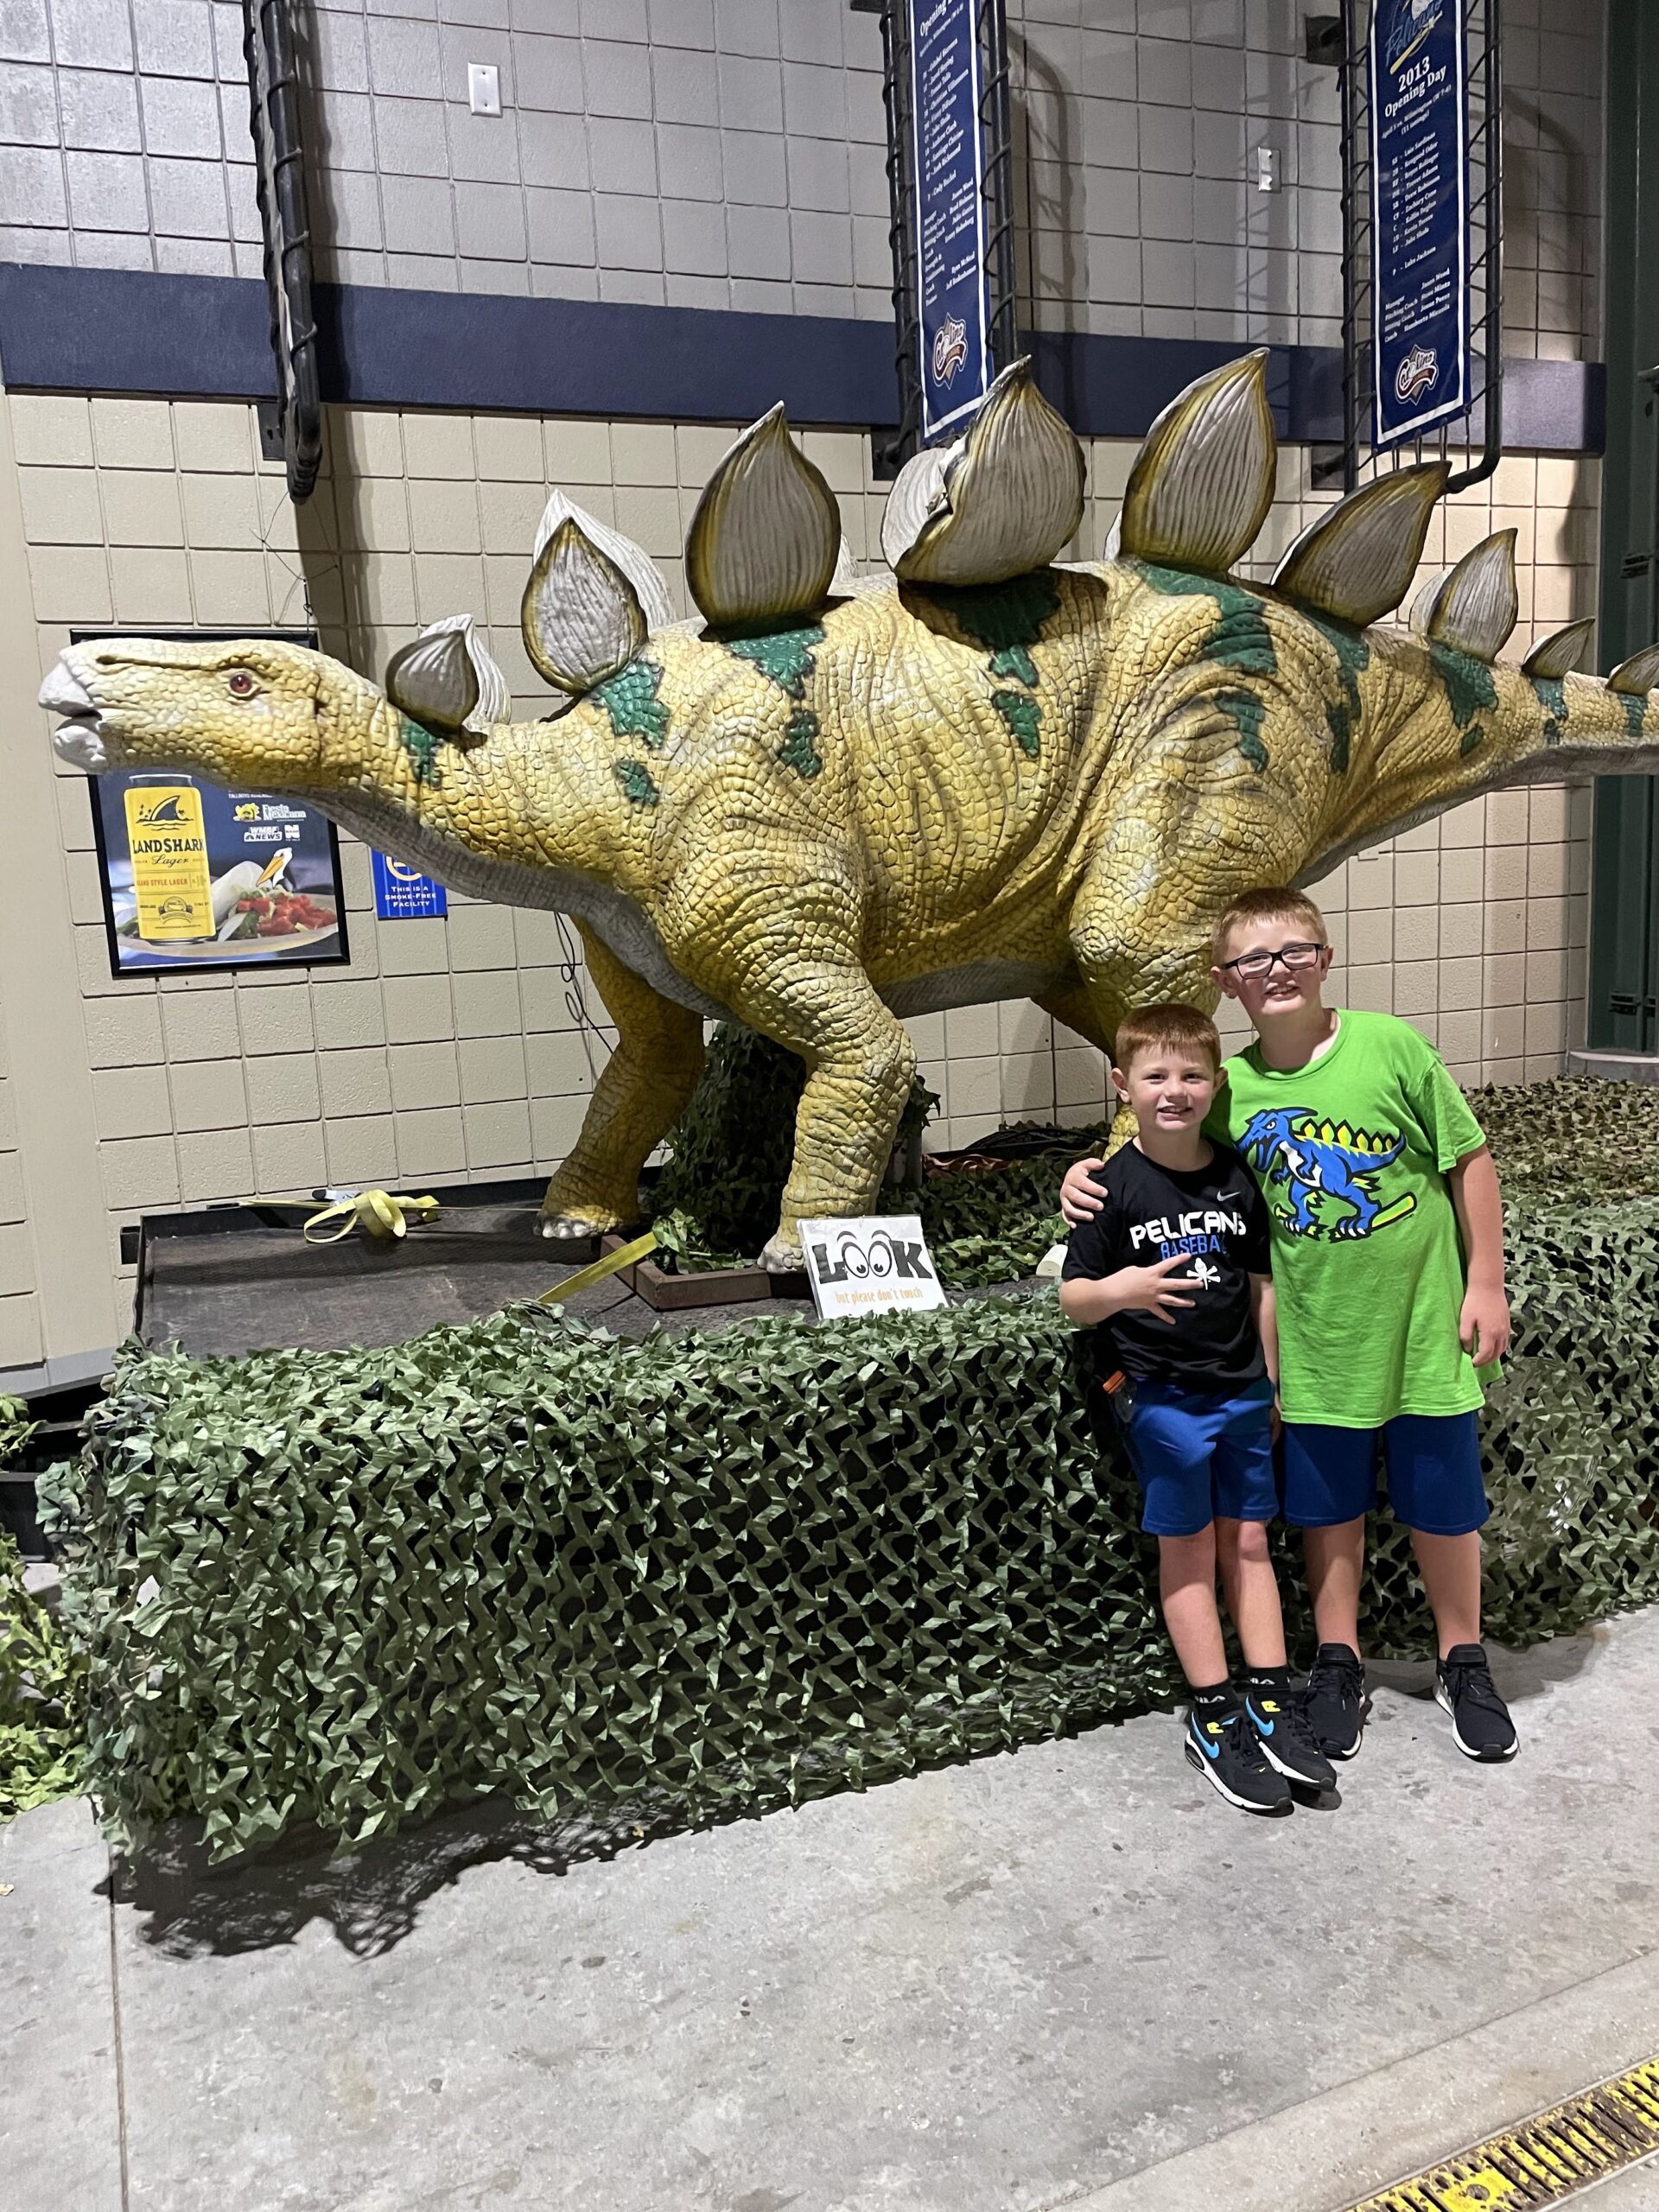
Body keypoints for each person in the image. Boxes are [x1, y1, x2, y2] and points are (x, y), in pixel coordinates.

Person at [1060, 888, 1519, 1766]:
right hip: (1314, 1347)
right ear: (1224, 979)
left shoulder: (1391, 1047)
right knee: (1326, 1511)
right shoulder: (1226, 1090)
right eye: (1253, 959)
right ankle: (1337, 1662)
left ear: (1325, 958)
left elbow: (1468, 1157)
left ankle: (1463, 1659)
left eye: (1294, 950)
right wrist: (1083, 1180)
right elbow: (1162, 1154)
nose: (1276, 970)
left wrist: (1486, 1282)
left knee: (1444, 1507)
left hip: (1422, 1334)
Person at [1058, 1001, 1336, 1815]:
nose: (1173, 1090)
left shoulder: (1236, 1177)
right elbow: (1075, 1297)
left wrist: (1270, 1382)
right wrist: (1124, 1289)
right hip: (1163, 1401)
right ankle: (1214, 1714)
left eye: (1190, 1075)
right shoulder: (1108, 1189)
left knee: (1248, 1542)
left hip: (1241, 1394)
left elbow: (1261, 1287)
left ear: (1215, 1084)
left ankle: (1269, 1699)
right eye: (1155, 1076)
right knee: (1187, 1550)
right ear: (1123, 1084)